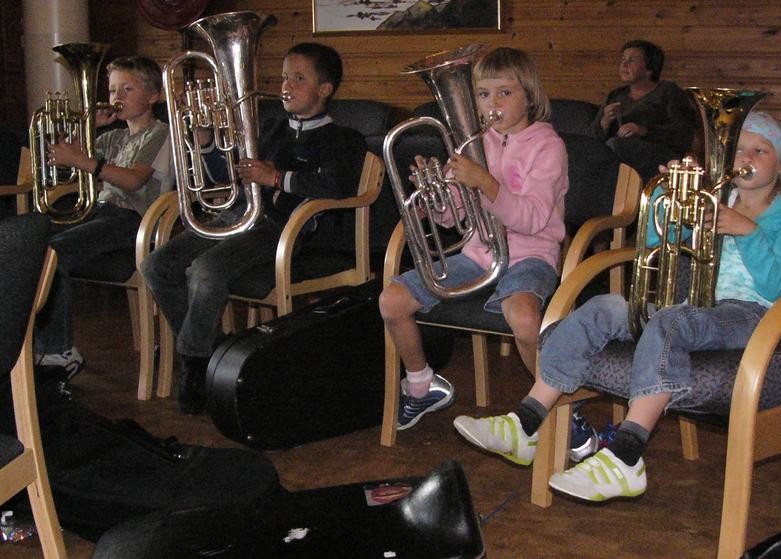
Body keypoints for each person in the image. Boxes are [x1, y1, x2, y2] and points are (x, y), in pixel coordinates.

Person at [453, 111, 781, 500]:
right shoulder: (716, 201)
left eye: (760, 150)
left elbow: (777, 284)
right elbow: (656, 240)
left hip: (755, 315)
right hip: (699, 308)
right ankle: (525, 424)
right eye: (738, 149)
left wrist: (748, 230)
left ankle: (626, 455)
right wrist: (664, 194)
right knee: (603, 307)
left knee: (670, 322)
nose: (747, 158)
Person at [141, 42, 367, 415]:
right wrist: (207, 143)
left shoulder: (342, 138)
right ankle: (210, 350)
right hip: (240, 216)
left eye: (298, 78)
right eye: (283, 78)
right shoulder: (272, 129)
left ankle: (196, 367)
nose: (286, 86)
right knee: (156, 265)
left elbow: (336, 185)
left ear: (325, 90)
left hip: (283, 230)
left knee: (205, 270)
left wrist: (276, 177)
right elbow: (228, 178)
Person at [378, 47, 568, 431]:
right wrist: (432, 200)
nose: (492, 104)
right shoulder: (470, 144)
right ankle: (421, 386)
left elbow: (531, 219)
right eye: (483, 94)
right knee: (392, 301)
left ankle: (552, 407)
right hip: (479, 254)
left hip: (531, 255)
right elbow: (457, 216)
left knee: (525, 320)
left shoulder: (548, 146)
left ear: (529, 95)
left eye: (505, 93)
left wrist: (485, 182)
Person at [34, 55, 172, 380]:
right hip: (101, 212)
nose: (116, 98)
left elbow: (134, 180)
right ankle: (40, 345)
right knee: (33, 242)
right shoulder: (114, 137)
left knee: (55, 252)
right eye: (112, 90)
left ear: (152, 96)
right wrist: (86, 130)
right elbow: (66, 164)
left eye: (127, 88)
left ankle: (60, 351)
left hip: (134, 220)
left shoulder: (160, 134)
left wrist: (85, 161)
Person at [590, 40, 696, 183]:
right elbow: (592, 137)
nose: (624, 64)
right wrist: (604, 122)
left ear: (649, 68)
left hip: (659, 159)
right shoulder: (616, 95)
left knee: (616, 146)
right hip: (618, 158)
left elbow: (683, 134)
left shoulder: (668, 92)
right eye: (623, 59)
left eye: (631, 60)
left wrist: (643, 130)